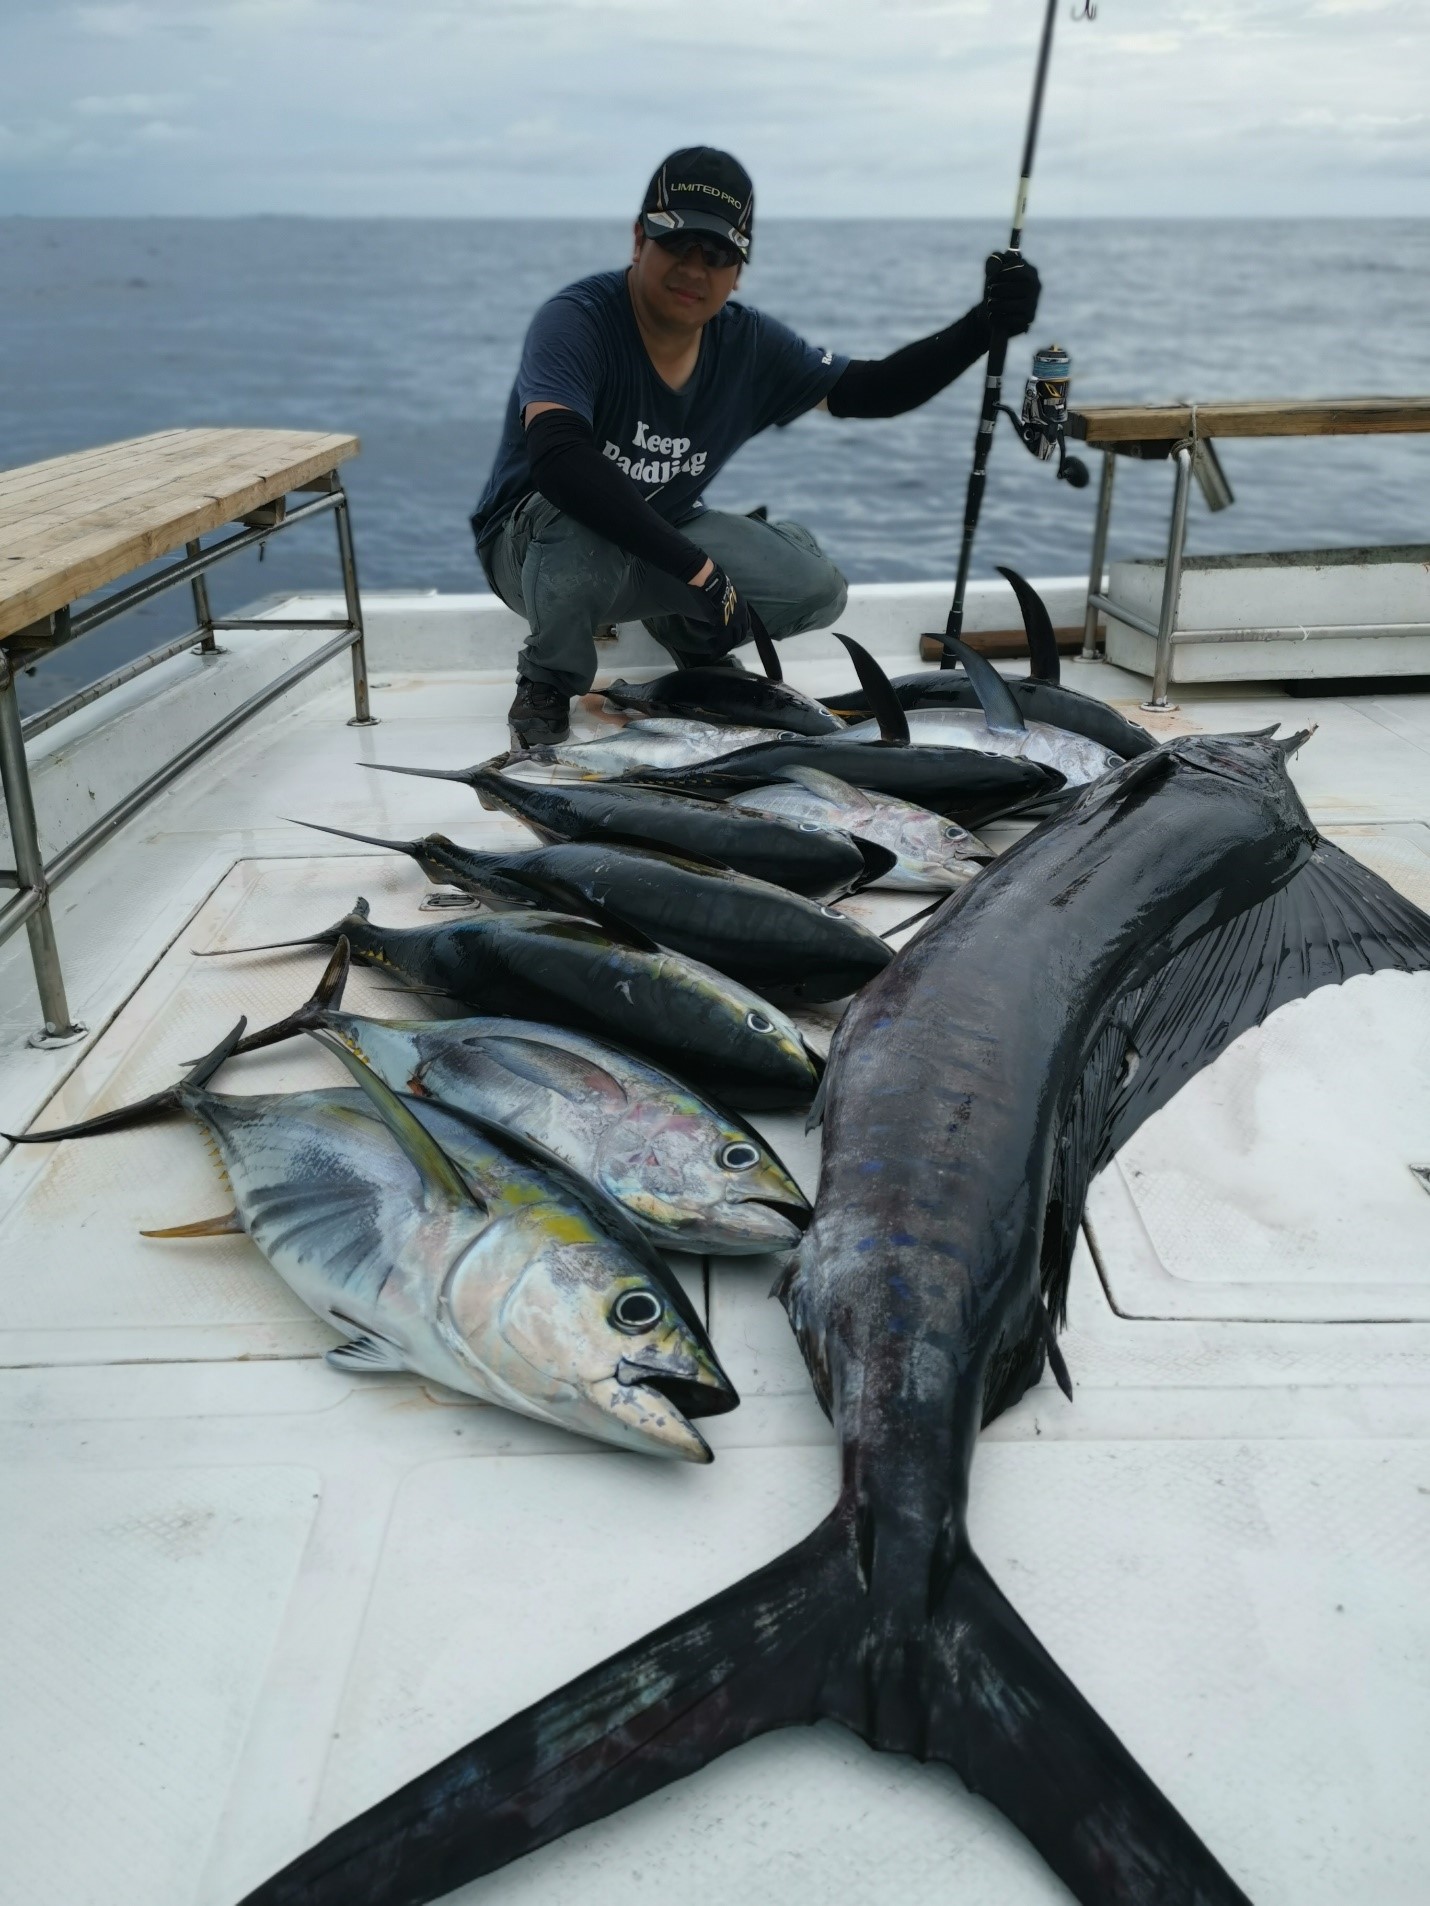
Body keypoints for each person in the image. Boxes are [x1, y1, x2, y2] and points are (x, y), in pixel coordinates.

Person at [472, 147, 1041, 744]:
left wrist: (982, 326)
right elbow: (560, 458)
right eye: (678, 241)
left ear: (738, 270)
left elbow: (871, 390)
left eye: (717, 253)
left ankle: (693, 639)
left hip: (661, 527)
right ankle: (547, 679)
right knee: (580, 522)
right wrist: (697, 569)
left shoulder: (746, 345)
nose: (695, 267)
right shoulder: (578, 319)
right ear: (639, 240)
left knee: (818, 588)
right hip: (531, 543)